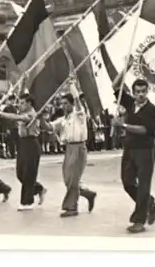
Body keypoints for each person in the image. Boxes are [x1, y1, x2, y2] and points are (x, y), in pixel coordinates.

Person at [42, 76, 97, 217]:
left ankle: (71, 207)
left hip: (79, 148)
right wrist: (40, 117)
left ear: (72, 105)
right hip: (68, 149)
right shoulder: (63, 120)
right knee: (68, 180)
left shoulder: (79, 115)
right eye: (62, 104)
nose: (64, 106)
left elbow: (78, 101)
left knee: (73, 179)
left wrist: (72, 85)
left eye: (66, 103)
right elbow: (49, 127)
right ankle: (88, 194)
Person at [112, 77, 155, 234]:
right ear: (133, 93)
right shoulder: (130, 103)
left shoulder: (152, 110)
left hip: (146, 149)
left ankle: (139, 220)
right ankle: (150, 204)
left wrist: (123, 125)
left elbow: (145, 130)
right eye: (137, 92)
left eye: (143, 92)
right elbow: (115, 85)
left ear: (147, 92)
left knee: (144, 184)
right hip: (129, 148)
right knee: (127, 182)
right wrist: (125, 69)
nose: (140, 95)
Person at [0, 93, 47, 211]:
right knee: (20, 174)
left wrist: (0, 113)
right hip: (22, 144)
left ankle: (27, 202)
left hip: (31, 143)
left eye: (22, 103)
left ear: (29, 103)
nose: (20, 105)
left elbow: (17, 118)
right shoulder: (24, 112)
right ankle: (38, 189)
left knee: (29, 174)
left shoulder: (32, 114)